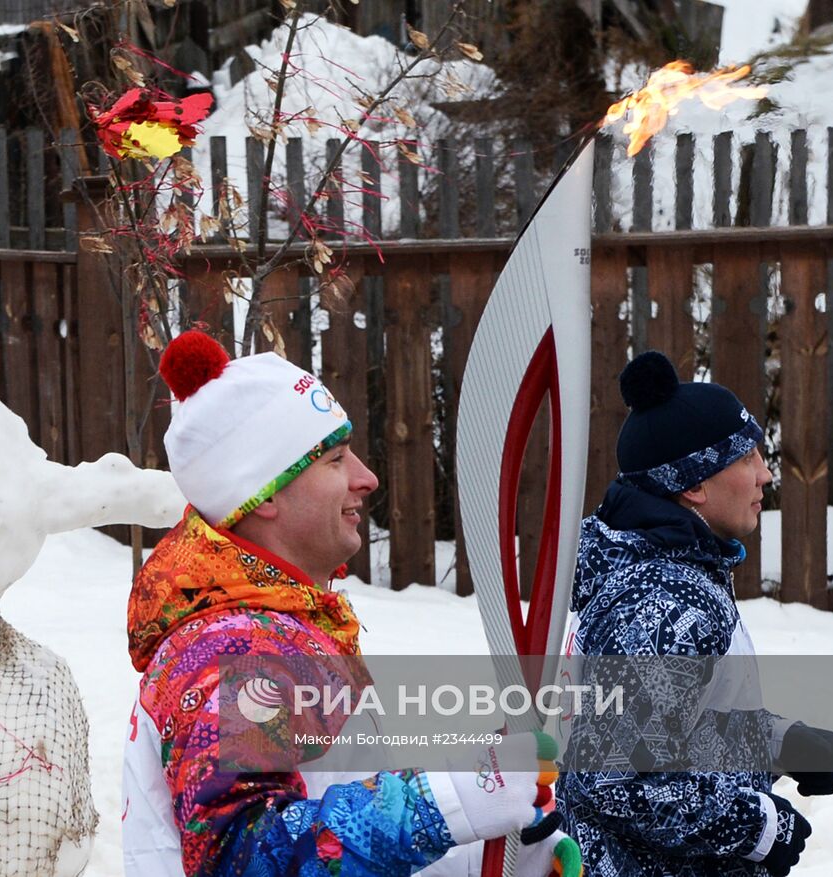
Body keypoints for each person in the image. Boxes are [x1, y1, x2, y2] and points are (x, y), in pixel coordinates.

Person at [122, 330, 582, 877]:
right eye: (336, 459)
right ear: (264, 493)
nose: (367, 478)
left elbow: (328, 822)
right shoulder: (229, 650)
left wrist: (488, 850)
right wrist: (440, 804)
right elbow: (242, 856)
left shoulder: (287, 630)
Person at [558, 350, 833, 877]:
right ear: (693, 484)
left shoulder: (673, 575)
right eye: (746, 458)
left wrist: (779, 742)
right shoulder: (660, 603)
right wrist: (754, 825)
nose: (765, 474)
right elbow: (617, 779)